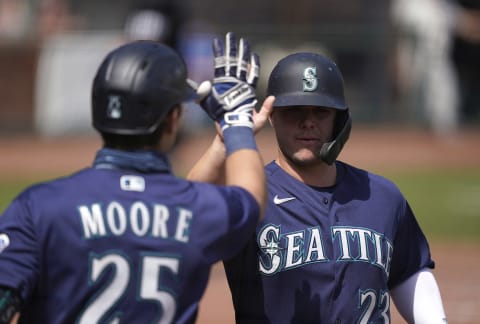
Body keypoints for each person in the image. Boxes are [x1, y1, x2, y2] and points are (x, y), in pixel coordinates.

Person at [0, 34, 266, 323]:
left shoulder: (38, 207)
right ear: (173, 119)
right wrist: (235, 120)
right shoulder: (198, 211)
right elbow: (250, 198)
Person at [188, 51, 448, 322]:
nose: (308, 121)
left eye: (320, 111)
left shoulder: (382, 196)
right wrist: (228, 136)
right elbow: (185, 222)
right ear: (272, 115)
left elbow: (408, 271)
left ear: (339, 118)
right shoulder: (251, 196)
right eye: (294, 111)